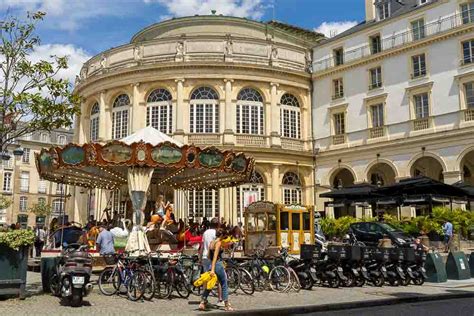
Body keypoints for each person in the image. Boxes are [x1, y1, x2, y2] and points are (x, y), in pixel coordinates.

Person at [199, 228, 234, 311]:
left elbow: (208, 255)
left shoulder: (211, 243)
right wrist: (213, 269)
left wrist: (211, 267)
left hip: (211, 264)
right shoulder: (218, 243)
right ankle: (226, 305)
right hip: (217, 264)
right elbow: (215, 257)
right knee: (224, 284)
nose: (224, 238)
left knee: (210, 285)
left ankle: (202, 302)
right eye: (224, 236)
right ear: (221, 235)